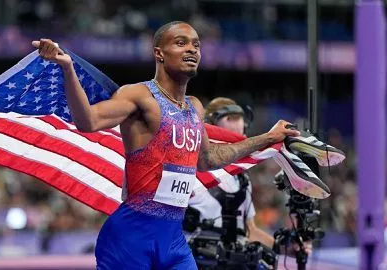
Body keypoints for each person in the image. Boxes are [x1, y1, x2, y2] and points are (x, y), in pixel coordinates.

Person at [32, 21, 300, 269]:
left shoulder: (194, 107)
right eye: (181, 43)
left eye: (196, 44)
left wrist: (267, 138)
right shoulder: (139, 95)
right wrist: (67, 68)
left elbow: (208, 159)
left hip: (173, 241)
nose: (192, 49)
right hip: (131, 239)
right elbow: (88, 121)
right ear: (159, 53)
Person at [186, 97, 312, 257]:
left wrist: (286, 249)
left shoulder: (241, 178)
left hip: (232, 261)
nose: (238, 124)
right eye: (230, 119)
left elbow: (250, 232)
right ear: (210, 130)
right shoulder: (191, 169)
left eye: (239, 138)